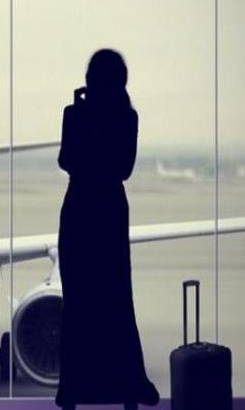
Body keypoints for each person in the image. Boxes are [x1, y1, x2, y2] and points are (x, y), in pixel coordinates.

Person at [55, 49, 159, 410]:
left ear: (89, 80)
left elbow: (66, 160)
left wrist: (82, 116)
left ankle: (72, 389)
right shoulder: (127, 118)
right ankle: (128, 386)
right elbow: (123, 169)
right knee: (116, 301)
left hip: (80, 208)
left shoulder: (74, 114)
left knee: (78, 303)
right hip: (109, 211)